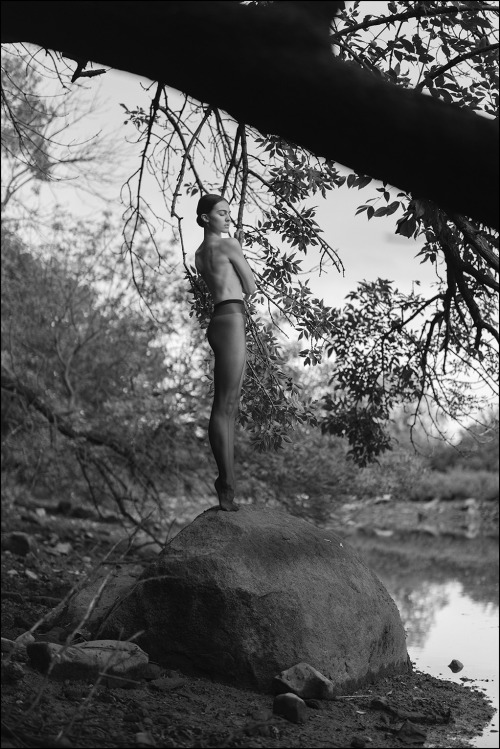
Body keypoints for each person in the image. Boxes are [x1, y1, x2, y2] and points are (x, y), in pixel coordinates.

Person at [194, 194, 257, 511]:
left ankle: (227, 482)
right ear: (206, 218)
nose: (228, 218)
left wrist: (236, 250)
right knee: (226, 407)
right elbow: (250, 286)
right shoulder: (228, 245)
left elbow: (221, 278)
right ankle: (226, 484)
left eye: (229, 213)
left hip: (218, 322)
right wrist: (239, 251)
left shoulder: (199, 253)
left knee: (225, 406)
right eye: (221, 213)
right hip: (232, 321)